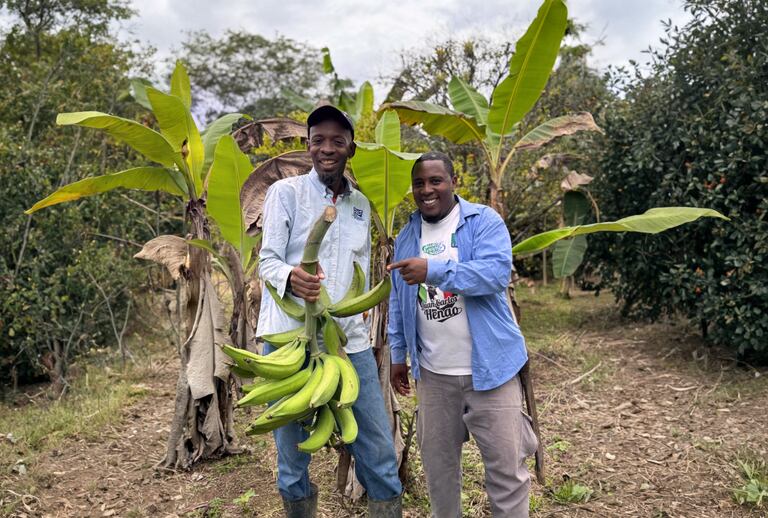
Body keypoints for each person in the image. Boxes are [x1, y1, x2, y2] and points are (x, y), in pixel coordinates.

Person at [256, 105, 402, 517]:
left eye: (338, 141)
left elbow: (360, 271)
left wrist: (362, 309)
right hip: (291, 340)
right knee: (292, 460)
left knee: (378, 449)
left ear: (350, 149)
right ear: (308, 145)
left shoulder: (361, 205)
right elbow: (267, 260)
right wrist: (291, 277)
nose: (327, 148)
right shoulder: (285, 193)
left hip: (347, 343)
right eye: (318, 140)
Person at [387, 151, 538, 517]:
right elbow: (397, 298)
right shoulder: (407, 235)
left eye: (435, 180)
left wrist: (433, 271)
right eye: (419, 183)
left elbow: (494, 274)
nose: (427, 189)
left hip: (492, 371)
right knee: (439, 474)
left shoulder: (482, 221)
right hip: (434, 375)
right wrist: (397, 353)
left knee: (506, 473)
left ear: (453, 182)